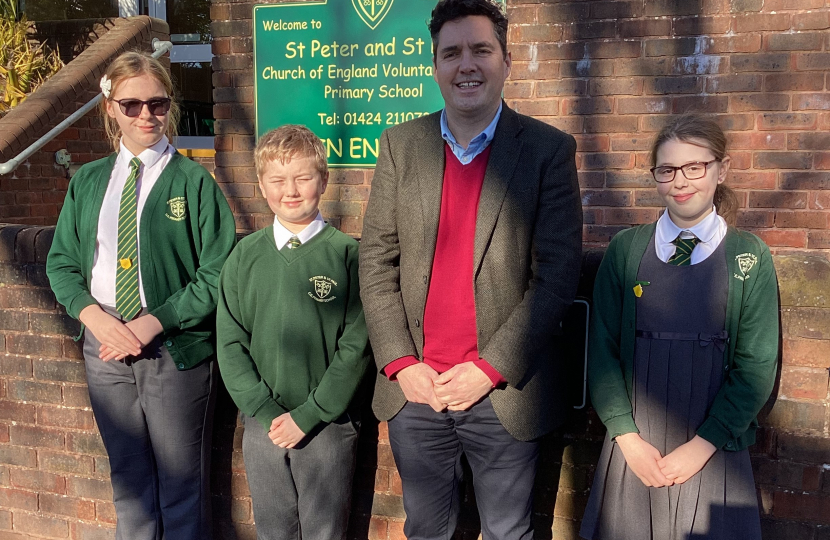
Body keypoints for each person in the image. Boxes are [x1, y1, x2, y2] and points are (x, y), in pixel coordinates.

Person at [359, 0, 583, 538]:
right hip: (417, 390)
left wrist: (489, 368)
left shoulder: (548, 151)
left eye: (481, 50)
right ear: (434, 65)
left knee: (508, 532)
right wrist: (399, 362)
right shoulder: (400, 144)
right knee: (427, 531)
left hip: (502, 391)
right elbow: (376, 259)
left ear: (507, 60)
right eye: (451, 52)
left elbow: (556, 275)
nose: (466, 65)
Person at [46, 51, 236, 540]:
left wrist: (151, 323)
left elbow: (217, 273)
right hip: (104, 346)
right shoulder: (88, 181)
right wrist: (96, 318)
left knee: (181, 483)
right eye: (131, 105)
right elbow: (62, 263)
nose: (146, 115)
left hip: (173, 347)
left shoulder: (195, 183)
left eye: (157, 103)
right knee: (128, 481)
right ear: (111, 107)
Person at [580, 113, 778, 540]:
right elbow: (601, 351)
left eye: (695, 167)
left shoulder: (750, 257)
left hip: (714, 446)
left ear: (721, 169)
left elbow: (756, 365)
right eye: (667, 170)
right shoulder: (625, 251)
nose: (681, 181)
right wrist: (627, 438)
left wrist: (703, 445)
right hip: (636, 445)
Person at [216, 125, 372, 540]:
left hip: (327, 425)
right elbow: (230, 343)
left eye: (303, 177)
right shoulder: (242, 258)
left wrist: (309, 415)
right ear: (262, 185)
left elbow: (356, 347)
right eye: (277, 180)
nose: (291, 190)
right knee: (273, 529)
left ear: (323, 180)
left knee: (325, 532)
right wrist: (266, 412)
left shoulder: (347, 255)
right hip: (263, 425)